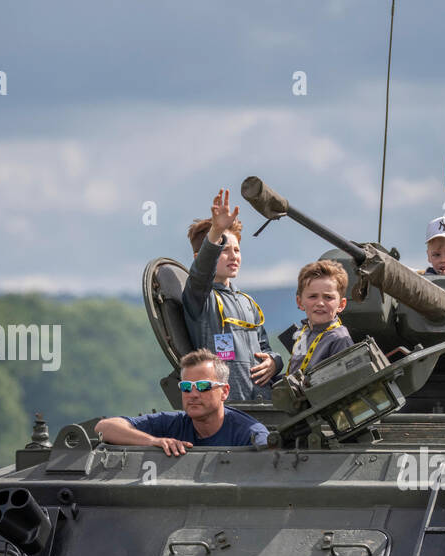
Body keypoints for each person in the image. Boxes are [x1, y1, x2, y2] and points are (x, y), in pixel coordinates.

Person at [182, 189, 281, 401]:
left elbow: (264, 347)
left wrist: (274, 362)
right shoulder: (199, 296)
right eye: (224, 250)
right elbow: (200, 273)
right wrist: (216, 231)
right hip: (225, 406)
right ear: (201, 257)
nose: (233, 256)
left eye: (237, 250)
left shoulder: (247, 303)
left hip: (262, 404)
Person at [95, 349, 268, 455]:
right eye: (186, 387)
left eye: (202, 386)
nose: (192, 394)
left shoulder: (249, 434)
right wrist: (153, 442)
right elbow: (104, 427)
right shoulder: (172, 424)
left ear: (224, 392)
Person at [280, 260, 355, 376]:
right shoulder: (303, 332)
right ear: (299, 302)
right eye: (313, 296)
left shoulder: (340, 339)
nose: (320, 303)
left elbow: (344, 385)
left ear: (341, 305)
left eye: (328, 297)